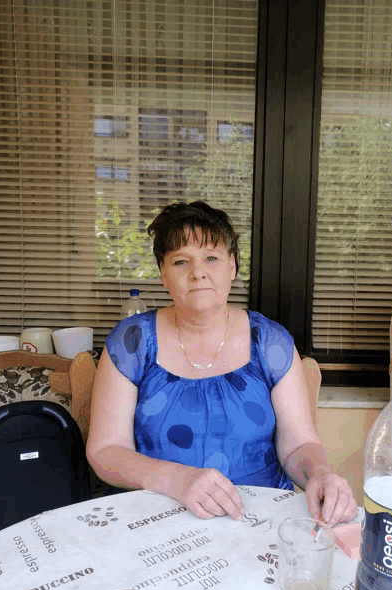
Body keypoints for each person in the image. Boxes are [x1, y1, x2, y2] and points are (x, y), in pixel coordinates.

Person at [87, 201, 357, 526]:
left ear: (232, 267)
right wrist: (178, 480)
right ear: (162, 273)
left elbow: (299, 443)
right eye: (180, 261)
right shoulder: (131, 342)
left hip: (259, 519)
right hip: (157, 519)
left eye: (211, 258)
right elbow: (105, 450)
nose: (197, 271)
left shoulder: (270, 342)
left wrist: (320, 474)